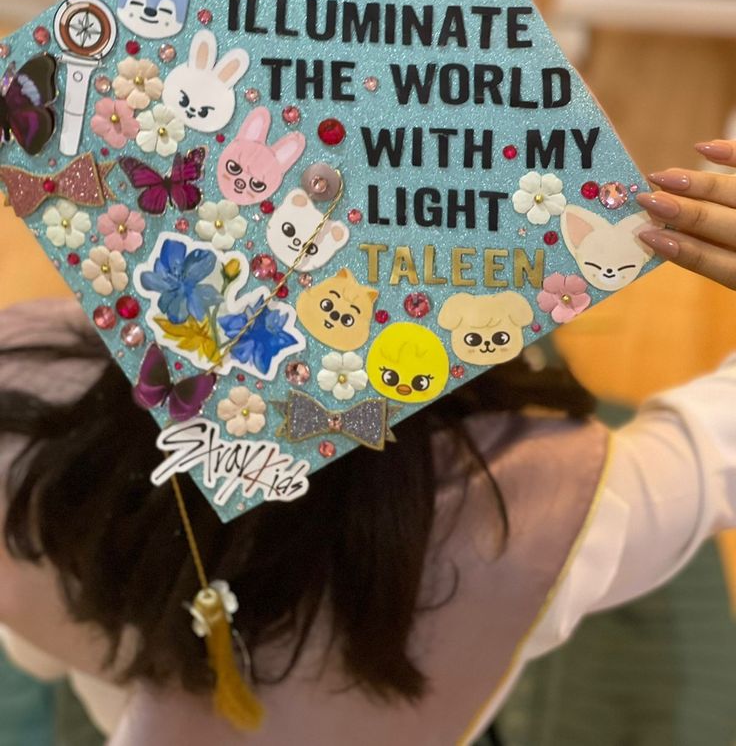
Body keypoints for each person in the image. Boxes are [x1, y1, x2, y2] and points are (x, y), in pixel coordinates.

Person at [1, 139, 735, 745]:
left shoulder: (22, 382)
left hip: (126, 679)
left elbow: (31, 645)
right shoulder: (536, 508)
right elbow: (714, 448)